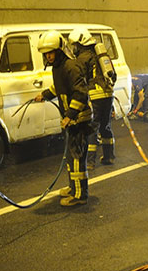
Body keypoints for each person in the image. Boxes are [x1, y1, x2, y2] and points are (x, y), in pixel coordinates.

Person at [33, 30, 93, 206]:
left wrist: (69, 116)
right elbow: (60, 88)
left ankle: (80, 195)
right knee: (70, 156)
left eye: (51, 53)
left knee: (76, 158)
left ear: (59, 51)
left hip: (79, 120)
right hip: (70, 120)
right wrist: (44, 94)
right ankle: (73, 187)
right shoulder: (59, 68)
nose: (48, 57)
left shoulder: (70, 66)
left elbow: (81, 94)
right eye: (46, 54)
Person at [68, 28, 115, 170]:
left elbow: (78, 78)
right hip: (108, 95)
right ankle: (109, 156)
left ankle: (90, 162)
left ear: (81, 43)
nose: (74, 48)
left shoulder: (82, 58)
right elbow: (113, 75)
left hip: (94, 96)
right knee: (105, 126)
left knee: (92, 128)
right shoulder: (100, 55)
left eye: (75, 45)